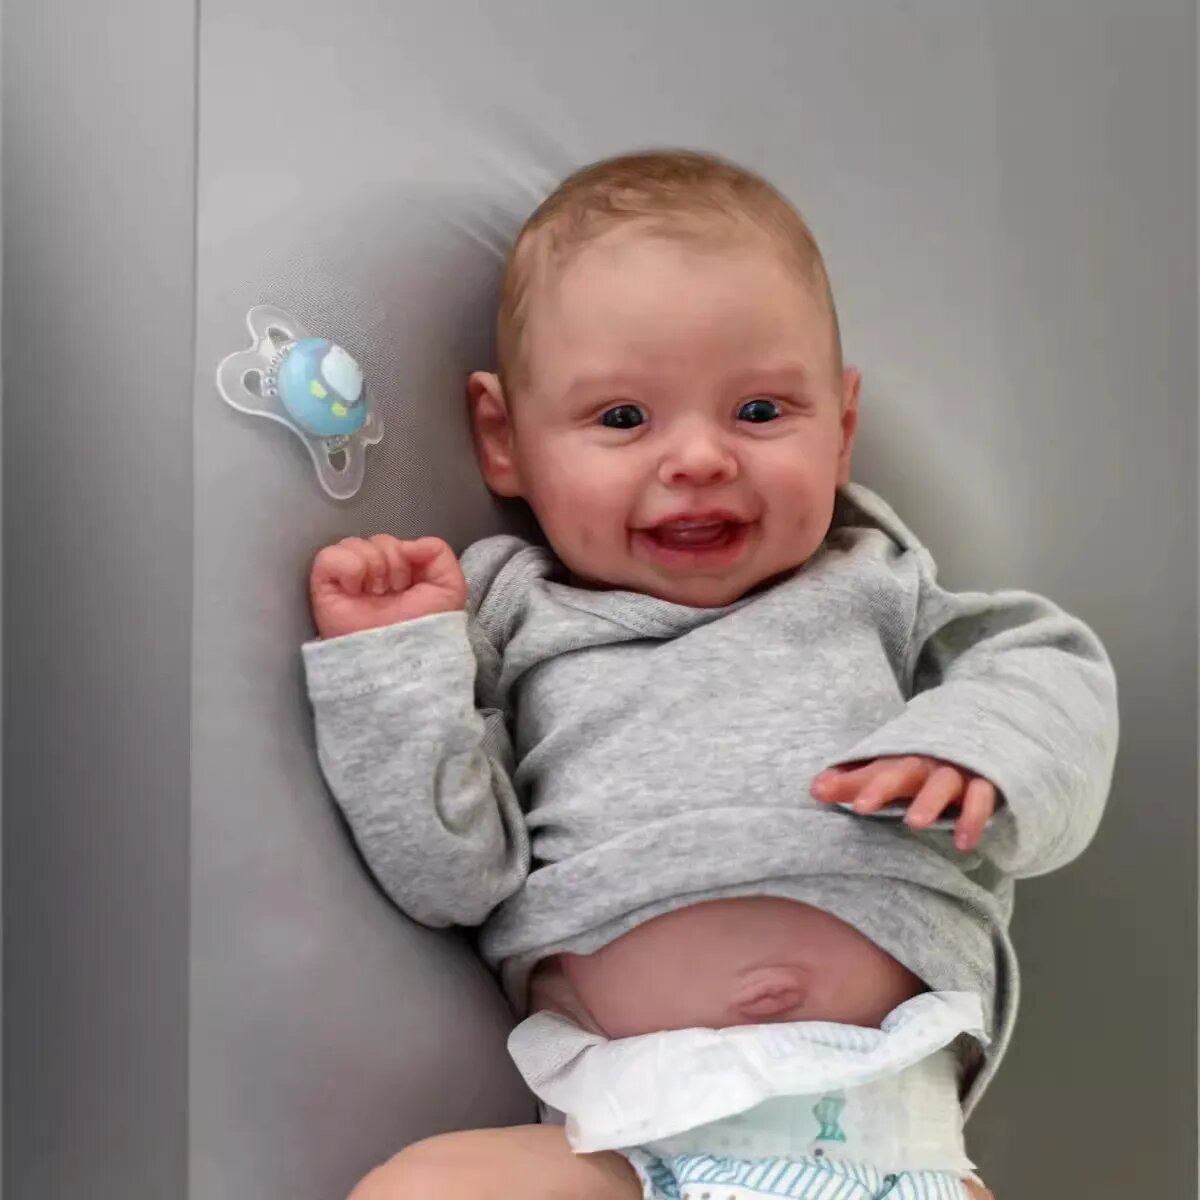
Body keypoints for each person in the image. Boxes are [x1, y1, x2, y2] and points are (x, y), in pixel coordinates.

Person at [303, 151, 1118, 1200]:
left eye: (761, 412)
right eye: (623, 418)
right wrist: (392, 667)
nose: (698, 459)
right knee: (416, 1192)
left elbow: (1050, 668)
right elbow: (450, 876)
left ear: (842, 432)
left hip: (893, 1140)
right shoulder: (510, 618)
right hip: (628, 1138)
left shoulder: (879, 586)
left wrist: (978, 753)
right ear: (503, 439)